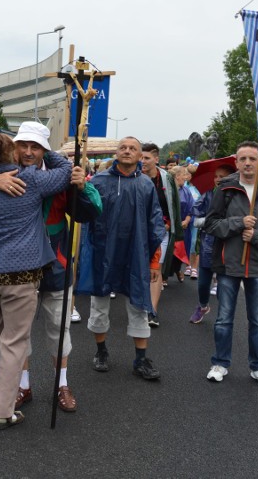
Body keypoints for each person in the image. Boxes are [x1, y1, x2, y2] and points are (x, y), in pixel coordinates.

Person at [0, 121, 102, 412]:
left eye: (36, 147)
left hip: (54, 264)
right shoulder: (1, 173)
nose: (29, 152)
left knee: (58, 331)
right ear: (14, 147)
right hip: (18, 270)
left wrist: (82, 186)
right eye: (24, 145)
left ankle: (61, 384)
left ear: (45, 149)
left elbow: (92, 211)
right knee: (17, 334)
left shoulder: (61, 177)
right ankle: (21, 386)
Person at [75, 137, 165, 381]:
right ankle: (101, 351)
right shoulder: (99, 182)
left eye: (132, 148)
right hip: (103, 252)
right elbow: (84, 216)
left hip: (135, 254)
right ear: (116, 153)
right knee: (99, 304)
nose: (127, 151)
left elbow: (155, 223)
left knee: (138, 305)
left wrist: (154, 261)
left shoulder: (146, 186)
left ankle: (140, 358)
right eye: (123, 148)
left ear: (139, 156)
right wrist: (81, 192)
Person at [204, 141, 258, 387]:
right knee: (224, 319)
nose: (248, 163)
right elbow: (211, 224)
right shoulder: (225, 190)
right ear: (237, 163)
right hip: (228, 264)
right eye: (243, 159)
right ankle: (220, 363)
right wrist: (238, 222)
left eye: (253, 158)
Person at [140, 143, 181, 327]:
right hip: (138, 233)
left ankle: (152, 311)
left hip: (161, 232)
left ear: (156, 159)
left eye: (147, 158)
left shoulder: (167, 179)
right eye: (141, 157)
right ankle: (140, 306)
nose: (143, 161)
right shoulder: (134, 177)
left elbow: (174, 206)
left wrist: (171, 225)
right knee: (140, 270)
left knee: (156, 269)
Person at [189, 164, 234, 324]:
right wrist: (210, 222)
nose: (218, 179)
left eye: (222, 176)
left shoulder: (237, 197)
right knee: (202, 284)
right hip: (208, 245)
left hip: (228, 247)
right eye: (216, 176)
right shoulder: (208, 195)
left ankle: (223, 317)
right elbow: (196, 217)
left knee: (224, 285)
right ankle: (202, 306)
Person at [171, 165, 194, 283]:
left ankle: (177, 269)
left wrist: (187, 220)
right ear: (177, 176)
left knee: (181, 250)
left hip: (184, 226)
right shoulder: (169, 190)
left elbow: (192, 207)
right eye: (183, 175)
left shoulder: (186, 190)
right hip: (170, 226)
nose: (185, 177)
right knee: (169, 251)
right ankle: (164, 276)